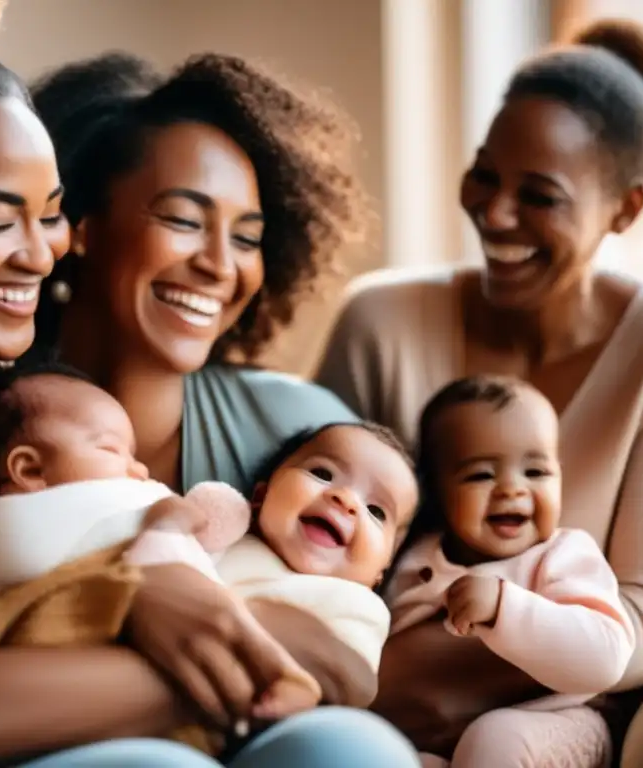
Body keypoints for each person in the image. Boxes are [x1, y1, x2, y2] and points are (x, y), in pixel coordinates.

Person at [0, 3, 410, 768]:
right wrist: (237, 635)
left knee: (345, 745)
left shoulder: (46, 407)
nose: (39, 254)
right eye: (0, 221)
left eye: (51, 215)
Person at [316, 16, 643, 767]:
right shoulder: (379, 320)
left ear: (626, 208)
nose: (496, 213)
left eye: (539, 195)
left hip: (556, 717)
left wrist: (399, 680)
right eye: (485, 174)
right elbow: (315, 545)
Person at [22, 50, 420, 766]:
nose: (219, 264)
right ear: (78, 222)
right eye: (183, 219)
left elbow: (357, 661)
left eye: (246, 238)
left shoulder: (305, 435)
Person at [0, 354, 418, 754]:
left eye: (377, 512)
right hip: (114, 701)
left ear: (381, 571)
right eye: (322, 473)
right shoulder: (223, 542)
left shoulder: (359, 606)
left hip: (248, 720)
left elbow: (349, 674)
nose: (347, 500)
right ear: (258, 496)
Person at [391, 376, 634, 767]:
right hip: (439, 744)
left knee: (495, 739)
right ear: (436, 489)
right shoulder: (410, 557)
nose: (512, 489)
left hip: (558, 723)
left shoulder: (561, 554)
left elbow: (607, 659)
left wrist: (507, 607)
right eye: (481, 475)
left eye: (535, 473)